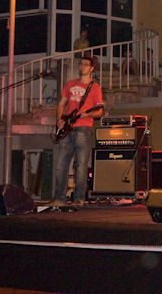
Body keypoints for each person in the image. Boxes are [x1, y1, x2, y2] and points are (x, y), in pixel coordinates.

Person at [53, 53, 104, 207]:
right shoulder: (70, 84)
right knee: (61, 165)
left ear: (92, 68)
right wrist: (59, 119)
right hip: (67, 128)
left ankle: (79, 198)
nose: (82, 67)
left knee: (81, 166)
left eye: (85, 65)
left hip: (84, 128)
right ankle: (59, 198)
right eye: (80, 64)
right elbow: (61, 104)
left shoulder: (95, 87)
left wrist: (88, 114)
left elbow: (99, 111)